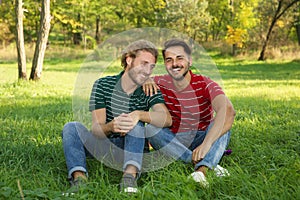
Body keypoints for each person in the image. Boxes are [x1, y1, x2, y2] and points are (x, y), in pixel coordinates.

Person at [62, 39, 172, 194]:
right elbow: (97, 129)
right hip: (104, 145)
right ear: (129, 60)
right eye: (144, 63)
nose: (148, 71)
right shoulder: (103, 85)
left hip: (133, 146)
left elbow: (167, 119)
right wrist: (111, 126)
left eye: (151, 66)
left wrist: (138, 115)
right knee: (71, 127)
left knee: (137, 124)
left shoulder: (150, 89)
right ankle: (79, 179)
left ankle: (129, 178)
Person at [144, 38, 236, 187]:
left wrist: (206, 144)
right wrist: (145, 79)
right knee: (150, 129)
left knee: (222, 125)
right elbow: (132, 78)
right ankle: (209, 162)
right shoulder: (159, 82)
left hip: (202, 135)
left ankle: (201, 171)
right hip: (173, 138)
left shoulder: (205, 83)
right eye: (169, 60)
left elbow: (229, 111)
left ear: (190, 61)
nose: (175, 64)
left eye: (180, 58)